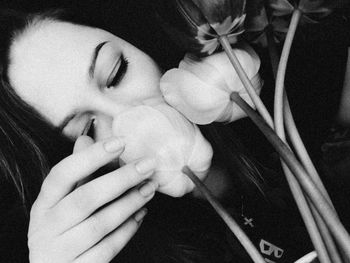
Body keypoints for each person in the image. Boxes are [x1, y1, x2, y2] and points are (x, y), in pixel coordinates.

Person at [0, 3, 349, 263]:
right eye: (88, 127)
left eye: (118, 72)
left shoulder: (272, 89)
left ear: (138, 43)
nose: (131, 117)